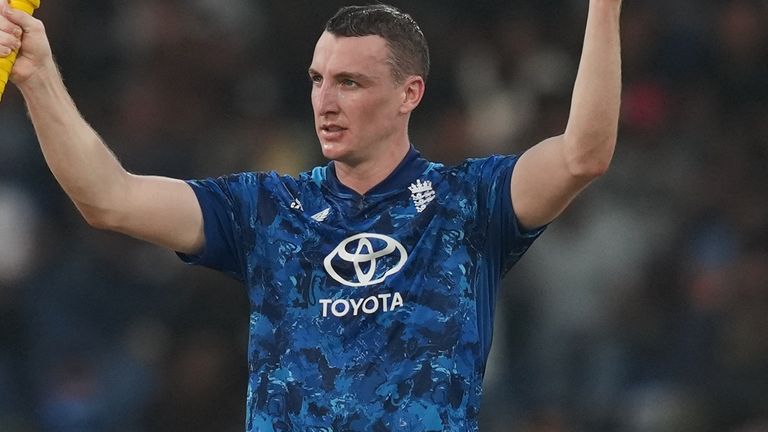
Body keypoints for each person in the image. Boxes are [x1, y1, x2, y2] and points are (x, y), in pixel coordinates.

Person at [0, 1, 622, 431]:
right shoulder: (266, 209)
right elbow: (109, 198)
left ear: (410, 93)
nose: (325, 100)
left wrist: (604, 10)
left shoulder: (469, 201)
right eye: (317, 79)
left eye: (349, 82)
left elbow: (582, 154)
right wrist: (38, 75)